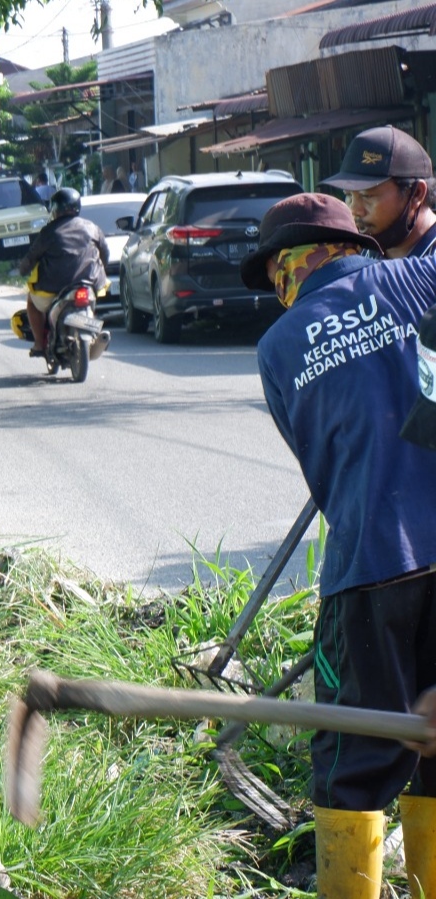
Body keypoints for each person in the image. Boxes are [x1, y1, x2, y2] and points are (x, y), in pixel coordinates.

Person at [243, 193, 436, 899]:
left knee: (352, 762)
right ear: (353, 244)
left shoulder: (277, 348)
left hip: (371, 566)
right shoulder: (415, 278)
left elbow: (320, 468)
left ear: (285, 267)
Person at [17, 187, 107, 358]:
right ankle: (93, 331)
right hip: (89, 284)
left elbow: (31, 258)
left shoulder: (49, 231)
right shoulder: (92, 228)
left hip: (53, 289)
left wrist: (23, 270)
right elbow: (105, 254)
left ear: (56, 209)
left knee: (32, 301)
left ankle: (38, 344)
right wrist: (101, 271)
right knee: (91, 306)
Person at [322, 125, 436, 259]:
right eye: (348, 195)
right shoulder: (359, 254)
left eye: (367, 196)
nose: (354, 210)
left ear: (417, 193)